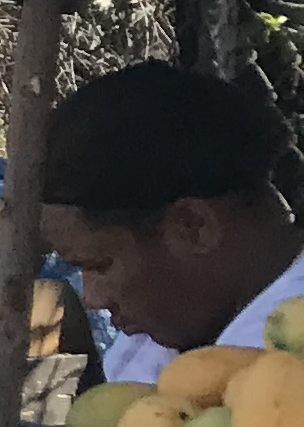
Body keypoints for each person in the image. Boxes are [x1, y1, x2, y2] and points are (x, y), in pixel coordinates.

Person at [41, 61, 304, 381]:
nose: (93, 299)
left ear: (194, 226)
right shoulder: (155, 342)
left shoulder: (284, 372)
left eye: (99, 266)